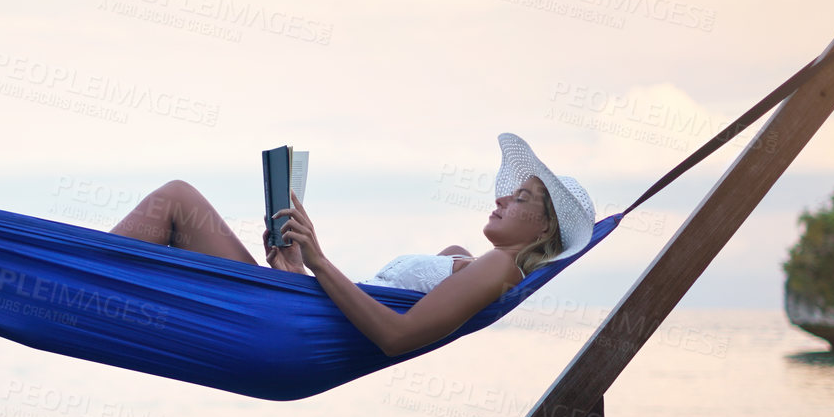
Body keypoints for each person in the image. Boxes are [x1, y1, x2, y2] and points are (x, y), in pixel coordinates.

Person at [110, 133, 595, 357]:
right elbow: (353, 314)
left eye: (521, 197)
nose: (501, 197)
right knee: (176, 205)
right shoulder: (464, 261)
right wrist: (295, 268)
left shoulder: (497, 268)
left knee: (176, 199)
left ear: (542, 231)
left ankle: (74, 280)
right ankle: (81, 282)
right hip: (299, 313)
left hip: (294, 333)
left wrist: (318, 260)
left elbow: (396, 338)